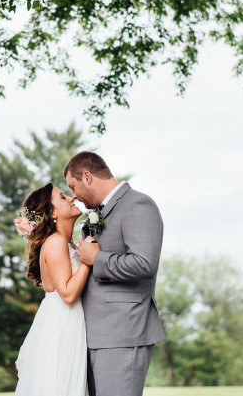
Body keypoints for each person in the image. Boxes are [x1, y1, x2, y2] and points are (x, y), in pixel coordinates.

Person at [65, 151, 165, 396]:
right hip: (92, 334)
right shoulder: (95, 215)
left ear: (87, 177)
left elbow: (144, 263)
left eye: (73, 186)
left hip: (122, 332)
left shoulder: (138, 204)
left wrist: (97, 258)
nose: (74, 196)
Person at [13, 182, 91, 396]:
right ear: (52, 212)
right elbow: (67, 294)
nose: (71, 198)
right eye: (63, 197)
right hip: (62, 322)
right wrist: (87, 260)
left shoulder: (68, 242)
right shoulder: (55, 242)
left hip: (70, 319)